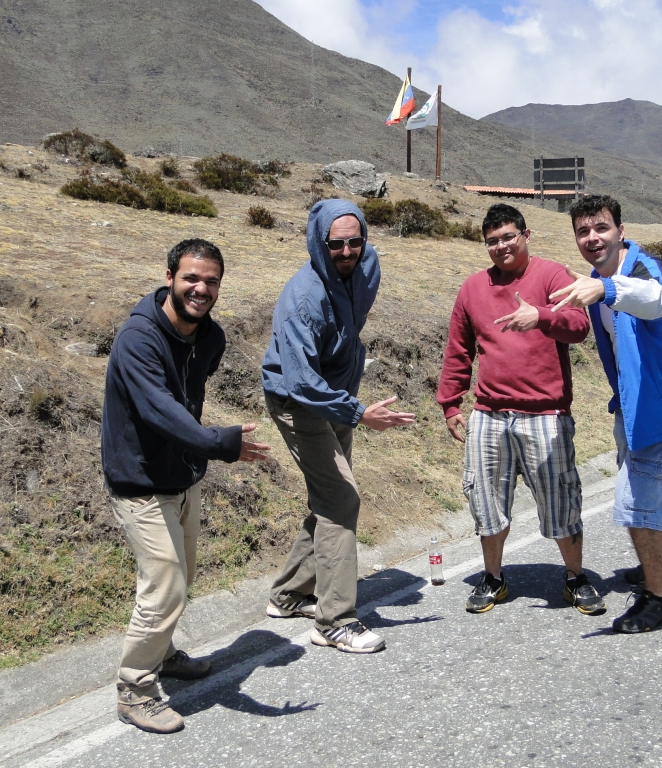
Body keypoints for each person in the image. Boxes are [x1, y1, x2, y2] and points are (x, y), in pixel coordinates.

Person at [102, 238, 270, 733]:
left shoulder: (208, 338)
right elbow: (160, 410)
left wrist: (198, 451)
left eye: (211, 281)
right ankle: (135, 689)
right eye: (191, 278)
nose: (201, 288)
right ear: (170, 276)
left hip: (182, 476)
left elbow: (188, 397)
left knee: (182, 576)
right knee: (166, 584)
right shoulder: (138, 338)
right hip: (140, 481)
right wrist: (219, 442)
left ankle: (165, 653)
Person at [437, 203, 607, 617]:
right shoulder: (472, 288)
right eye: (492, 241)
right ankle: (493, 577)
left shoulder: (552, 275)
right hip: (490, 415)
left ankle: (574, 577)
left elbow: (580, 327)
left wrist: (542, 316)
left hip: (545, 415)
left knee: (560, 498)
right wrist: (450, 403)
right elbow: (458, 350)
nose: (501, 246)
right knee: (486, 500)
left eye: (509, 237)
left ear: (526, 235)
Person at [262, 199, 414, 654]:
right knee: (342, 496)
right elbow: (301, 382)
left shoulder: (365, 269)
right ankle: (335, 621)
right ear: (318, 243)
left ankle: (289, 594)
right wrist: (358, 412)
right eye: (336, 244)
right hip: (299, 401)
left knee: (330, 498)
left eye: (355, 241)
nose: (347, 251)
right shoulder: (302, 300)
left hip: (337, 397)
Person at [550, 194, 662, 633]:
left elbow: (659, 300)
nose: (592, 237)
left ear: (621, 230)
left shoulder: (641, 271)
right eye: (583, 231)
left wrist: (609, 288)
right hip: (637, 405)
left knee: (636, 501)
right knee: (649, 485)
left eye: (601, 227)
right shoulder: (599, 280)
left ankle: (658, 599)